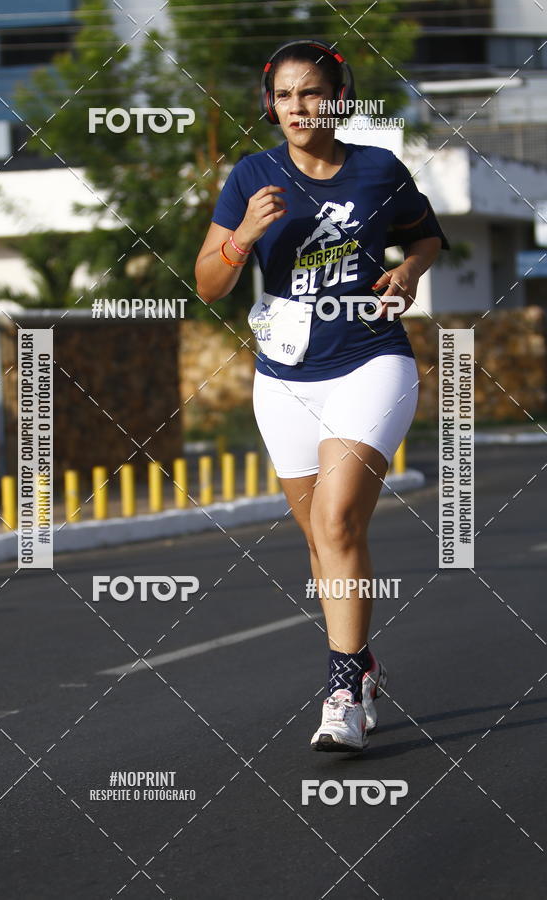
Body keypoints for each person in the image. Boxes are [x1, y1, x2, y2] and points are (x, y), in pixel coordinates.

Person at [194, 38, 449, 753]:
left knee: (337, 523)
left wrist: (409, 274)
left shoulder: (378, 171)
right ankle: (364, 664)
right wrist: (242, 236)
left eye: (312, 93)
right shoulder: (252, 174)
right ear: (268, 103)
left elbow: (426, 240)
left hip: (371, 360)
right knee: (318, 538)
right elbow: (208, 283)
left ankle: (341, 688)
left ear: (339, 98)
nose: (297, 107)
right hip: (282, 378)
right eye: (284, 95)